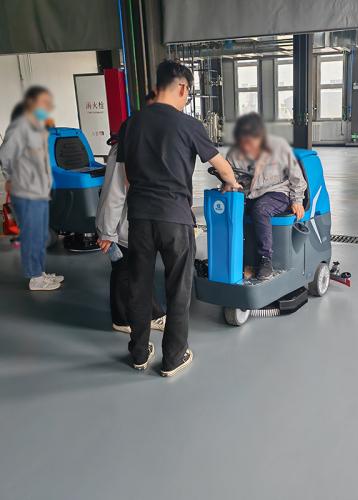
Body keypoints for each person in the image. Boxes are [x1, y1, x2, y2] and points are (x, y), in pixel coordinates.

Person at [123, 60, 240, 375]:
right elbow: (221, 165)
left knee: (139, 286)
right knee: (178, 288)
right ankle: (173, 357)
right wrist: (230, 182)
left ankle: (138, 354)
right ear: (183, 87)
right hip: (175, 217)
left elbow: (127, 177)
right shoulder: (188, 125)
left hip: (140, 218)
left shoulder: (132, 123)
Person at [95, 126, 166, 335]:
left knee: (139, 270)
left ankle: (149, 313)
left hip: (139, 221)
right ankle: (123, 319)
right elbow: (114, 193)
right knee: (125, 270)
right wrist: (107, 231)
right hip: (122, 225)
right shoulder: (123, 149)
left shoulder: (145, 144)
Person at [226, 113, 307, 280]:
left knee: (260, 209)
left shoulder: (279, 147)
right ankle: (234, 256)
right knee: (229, 210)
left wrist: (297, 200)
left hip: (277, 191)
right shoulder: (234, 154)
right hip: (249, 194)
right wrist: (228, 184)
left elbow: (296, 177)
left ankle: (265, 259)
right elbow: (230, 178)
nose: (248, 146)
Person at [0, 86, 64, 290]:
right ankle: (35, 277)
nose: (47, 107)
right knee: (31, 234)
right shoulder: (20, 127)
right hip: (26, 192)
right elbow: (5, 155)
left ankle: (40, 271)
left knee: (40, 234)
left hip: (39, 192)